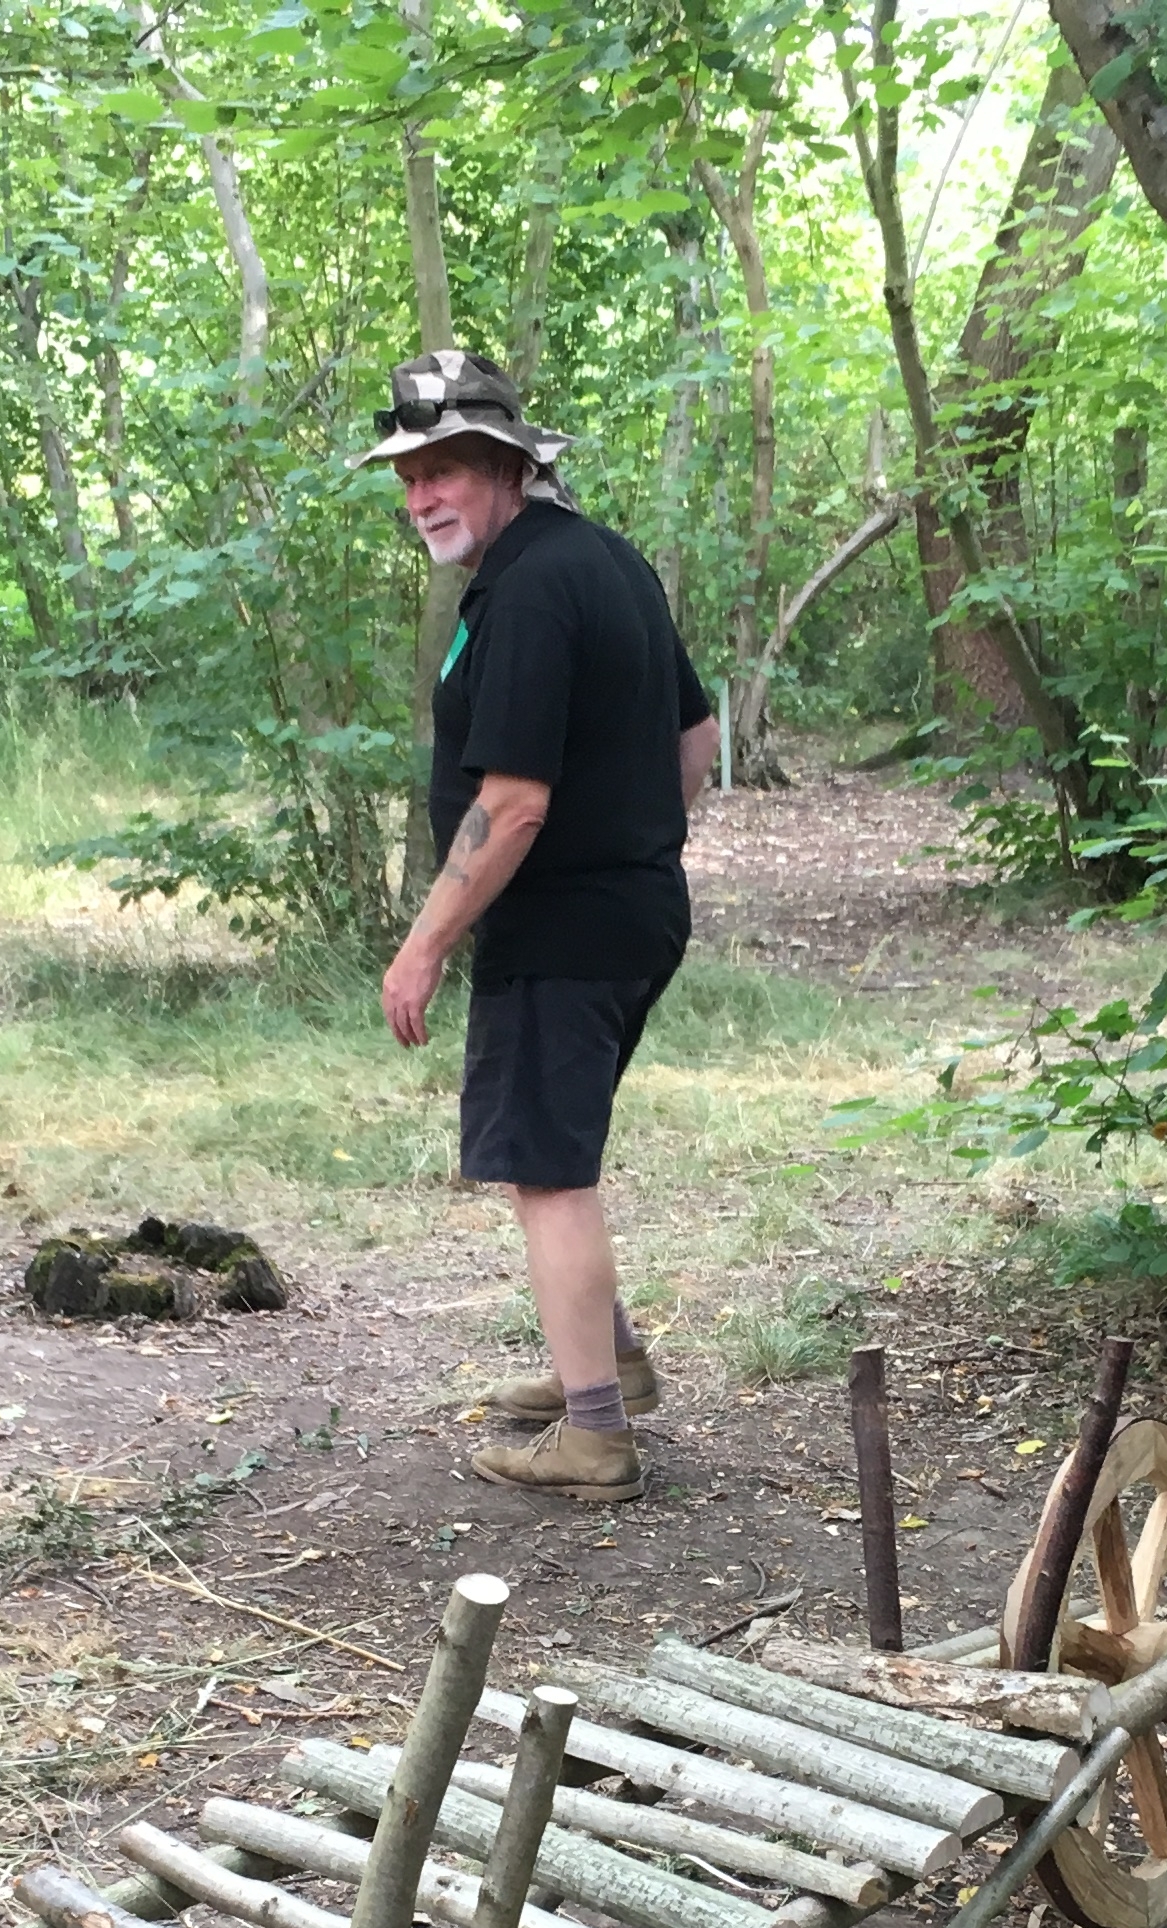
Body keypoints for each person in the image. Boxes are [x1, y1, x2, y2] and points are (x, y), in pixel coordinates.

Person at [361, 349, 717, 1506]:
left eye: (449, 469)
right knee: (546, 1156)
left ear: (511, 466)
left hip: (564, 928)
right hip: (630, 912)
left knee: (549, 1171)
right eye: (410, 476)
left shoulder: (525, 590)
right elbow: (696, 742)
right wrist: (638, 845)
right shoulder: (606, 561)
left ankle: (598, 1439)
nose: (424, 497)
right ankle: (601, 1360)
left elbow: (512, 805)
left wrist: (423, 945)